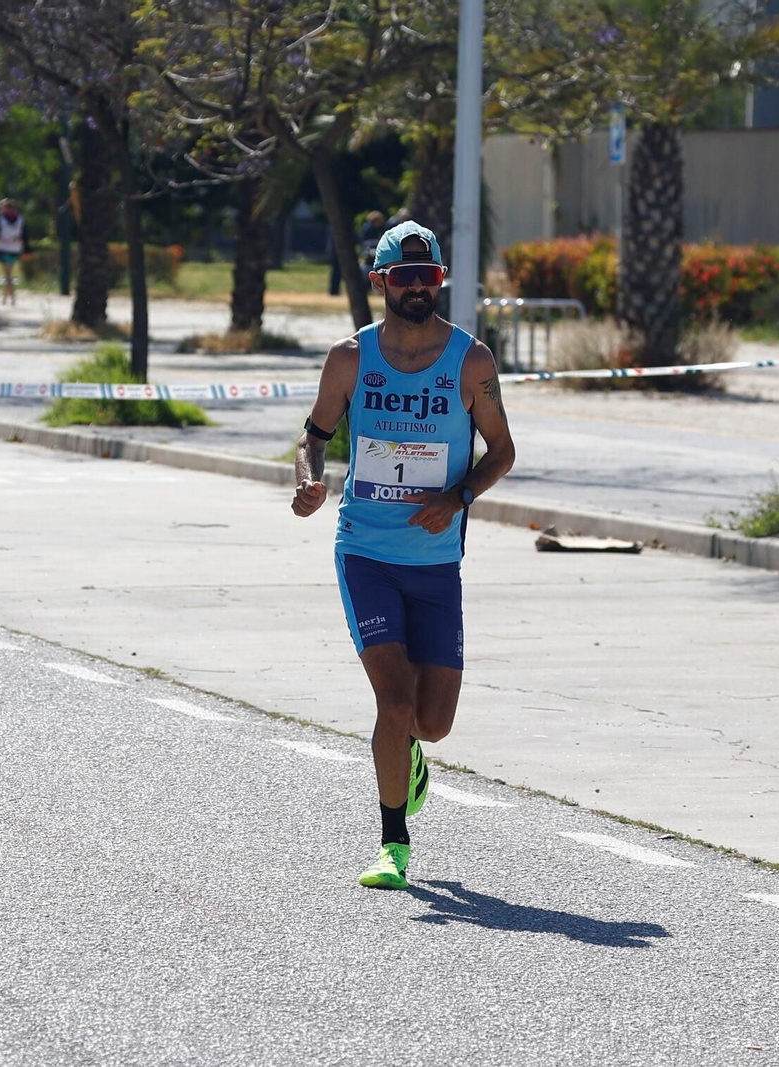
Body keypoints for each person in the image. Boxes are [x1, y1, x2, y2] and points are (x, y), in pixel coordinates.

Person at [290, 221, 516, 890]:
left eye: (428, 277)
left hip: (436, 559)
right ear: (380, 282)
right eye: (404, 277)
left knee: (433, 723)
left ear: (440, 280)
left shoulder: (471, 361)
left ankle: (411, 756)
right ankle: (394, 842)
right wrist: (309, 477)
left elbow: (501, 451)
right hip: (366, 551)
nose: (417, 288)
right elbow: (314, 435)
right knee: (394, 702)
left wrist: (459, 495)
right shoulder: (350, 359)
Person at [0, 198, 25, 306]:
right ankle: (4, 298)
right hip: (15, 248)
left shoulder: (1, 218)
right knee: (8, 273)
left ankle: (13, 297)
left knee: (8, 275)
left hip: (4, 248)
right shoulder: (20, 218)